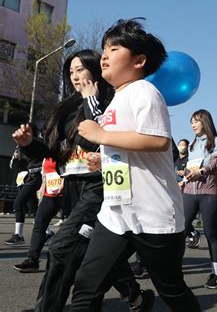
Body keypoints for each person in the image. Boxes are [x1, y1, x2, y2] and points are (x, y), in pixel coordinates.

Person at [69, 19, 200, 311]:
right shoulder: (117, 99)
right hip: (115, 213)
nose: (104, 55)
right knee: (86, 286)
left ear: (139, 60)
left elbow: (157, 141)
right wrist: (101, 159)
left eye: (114, 49)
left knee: (172, 290)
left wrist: (102, 135)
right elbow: (126, 149)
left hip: (152, 214)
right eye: (104, 49)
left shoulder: (144, 91)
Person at [13, 49, 146, 311]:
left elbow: (104, 137)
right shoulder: (66, 107)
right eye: (71, 72)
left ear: (95, 70)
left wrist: (91, 102)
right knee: (90, 252)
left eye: (81, 70)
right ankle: (135, 296)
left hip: (101, 186)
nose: (75, 76)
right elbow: (54, 151)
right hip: (71, 187)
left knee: (62, 248)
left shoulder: (111, 100)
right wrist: (29, 144)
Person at [181, 109, 217, 289]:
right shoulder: (191, 145)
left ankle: (216, 274)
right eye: (191, 121)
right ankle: (175, 269)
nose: (192, 124)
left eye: (196, 121)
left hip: (208, 192)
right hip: (190, 192)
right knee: (181, 230)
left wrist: (202, 171)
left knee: (211, 234)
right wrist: (184, 178)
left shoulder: (215, 141)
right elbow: (190, 168)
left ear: (205, 122)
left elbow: (215, 163)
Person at [13, 158, 65, 272]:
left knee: (77, 227)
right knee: (39, 224)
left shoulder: (67, 149)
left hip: (67, 193)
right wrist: (41, 193)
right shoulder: (46, 156)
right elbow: (45, 175)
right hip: (49, 194)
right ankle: (33, 260)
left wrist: (64, 183)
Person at [4, 141, 42, 245]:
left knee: (18, 204)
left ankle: (19, 235)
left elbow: (40, 163)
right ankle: (46, 230)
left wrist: (32, 171)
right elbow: (12, 165)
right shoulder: (19, 146)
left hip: (31, 178)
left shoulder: (36, 145)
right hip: (21, 180)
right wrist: (16, 157)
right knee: (33, 208)